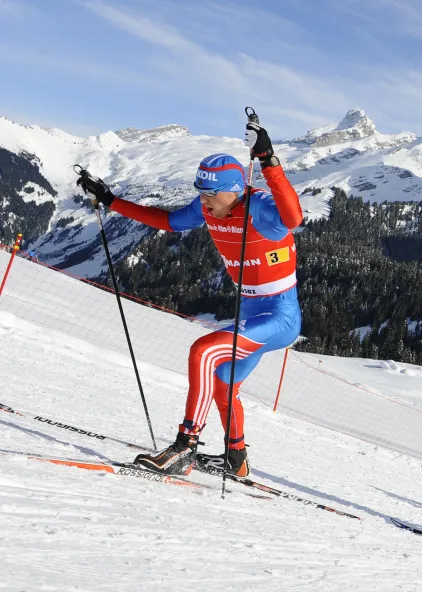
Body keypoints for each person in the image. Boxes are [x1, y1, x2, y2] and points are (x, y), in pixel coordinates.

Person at [76, 117, 302, 477]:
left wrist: (267, 159)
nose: (205, 202)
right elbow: (167, 221)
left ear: (235, 189)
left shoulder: (259, 208)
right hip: (252, 311)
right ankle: (236, 459)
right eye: (201, 193)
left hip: (280, 317)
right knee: (224, 383)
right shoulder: (208, 208)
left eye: (212, 194)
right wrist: (110, 200)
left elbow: (293, 217)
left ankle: (185, 447)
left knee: (204, 351)